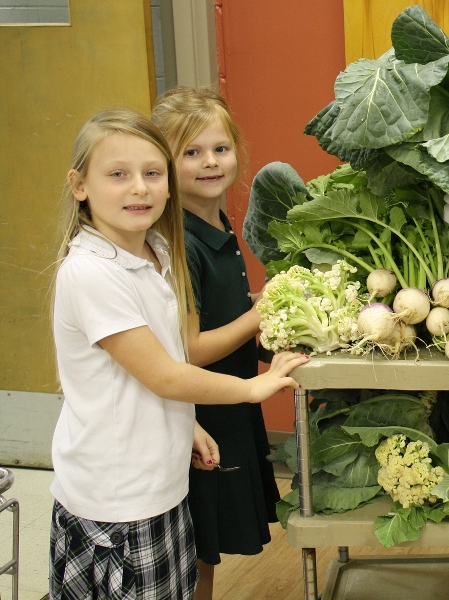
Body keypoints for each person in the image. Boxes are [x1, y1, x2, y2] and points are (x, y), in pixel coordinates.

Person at [49, 109, 306, 599]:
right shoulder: (91, 272)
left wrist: (185, 424)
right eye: (118, 175)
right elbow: (167, 374)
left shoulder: (156, 254)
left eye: (151, 173)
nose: (139, 188)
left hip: (160, 484)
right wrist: (253, 387)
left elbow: (151, 360)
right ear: (79, 185)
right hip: (118, 499)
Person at [151, 88, 275, 600]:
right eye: (191, 152)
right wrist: (258, 315)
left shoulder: (214, 220)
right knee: (201, 541)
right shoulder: (179, 240)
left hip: (228, 397)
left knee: (209, 544)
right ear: (163, 164)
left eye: (220, 149)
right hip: (206, 407)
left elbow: (219, 309)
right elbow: (192, 348)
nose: (210, 163)